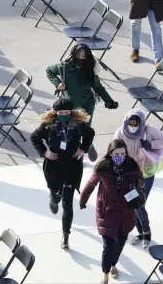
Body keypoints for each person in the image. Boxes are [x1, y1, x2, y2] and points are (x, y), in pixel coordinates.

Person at [30, 98, 95, 249]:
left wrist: (83, 148)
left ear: (71, 112)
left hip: (72, 167)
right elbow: (34, 137)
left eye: (67, 112)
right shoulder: (48, 125)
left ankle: (65, 235)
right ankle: (53, 199)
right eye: (61, 113)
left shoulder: (78, 125)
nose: (64, 115)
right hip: (54, 167)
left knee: (68, 204)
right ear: (55, 113)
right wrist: (44, 152)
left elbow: (90, 134)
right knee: (56, 195)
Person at [80, 139, 144, 284]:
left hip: (126, 212)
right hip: (107, 211)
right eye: (117, 153)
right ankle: (105, 272)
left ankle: (114, 264)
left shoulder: (132, 166)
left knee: (121, 242)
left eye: (123, 153)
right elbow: (91, 183)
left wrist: (136, 183)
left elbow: (142, 181)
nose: (120, 156)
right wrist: (83, 199)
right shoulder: (102, 167)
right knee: (108, 246)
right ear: (110, 153)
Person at [46, 43, 119, 162]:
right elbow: (49, 71)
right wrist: (58, 84)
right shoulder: (64, 67)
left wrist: (108, 100)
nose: (81, 58)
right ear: (74, 54)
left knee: (85, 127)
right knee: (70, 128)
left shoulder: (90, 69)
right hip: (70, 103)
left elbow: (98, 87)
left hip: (87, 102)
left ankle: (86, 144)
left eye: (84, 56)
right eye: (79, 55)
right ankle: (74, 148)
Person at [114, 109, 163, 249]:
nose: (132, 125)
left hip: (146, 173)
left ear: (141, 123)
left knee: (139, 204)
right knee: (133, 204)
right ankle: (141, 233)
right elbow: (114, 149)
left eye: (135, 123)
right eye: (130, 122)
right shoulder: (121, 132)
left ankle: (147, 233)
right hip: (129, 173)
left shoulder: (149, 130)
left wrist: (151, 145)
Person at [129, 0, 163, 67]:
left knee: (155, 26)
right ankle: (135, 49)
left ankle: (159, 59)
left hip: (155, 0)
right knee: (135, 23)